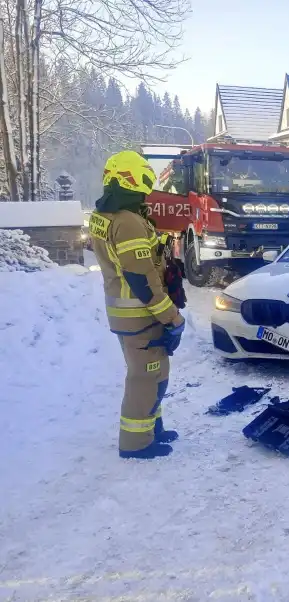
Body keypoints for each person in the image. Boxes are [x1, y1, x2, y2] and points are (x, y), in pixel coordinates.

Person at [89, 150, 185, 460]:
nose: (148, 186)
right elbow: (142, 279)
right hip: (140, 315)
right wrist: (172, 318)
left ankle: (151, 430)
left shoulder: (106, 215)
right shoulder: (128, 221)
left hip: (127, 314)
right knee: (145, 377)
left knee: (154, 373)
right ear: (132, 178)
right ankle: (136, 443)